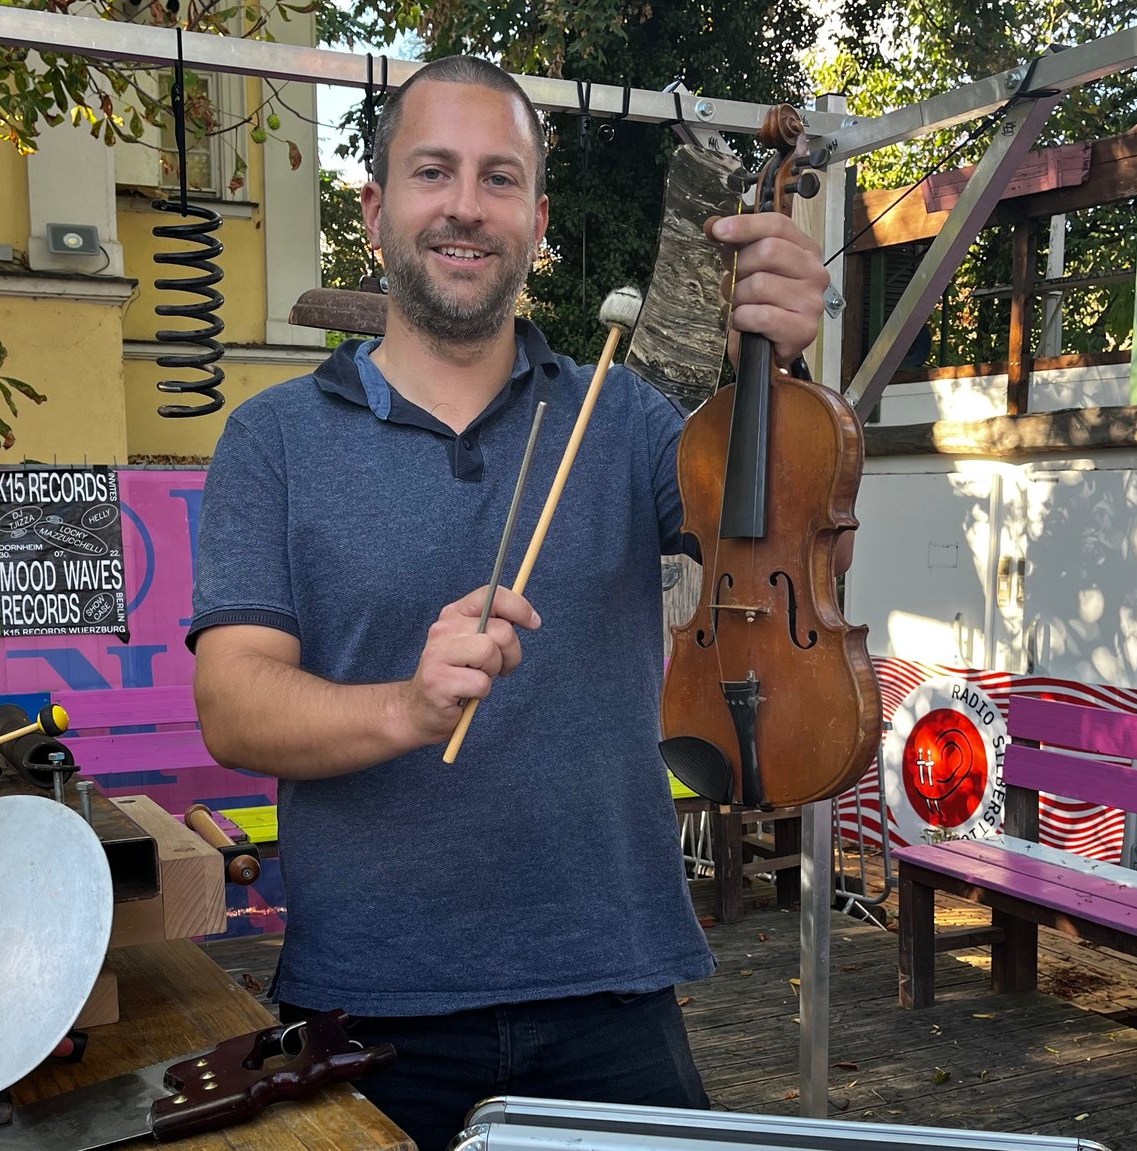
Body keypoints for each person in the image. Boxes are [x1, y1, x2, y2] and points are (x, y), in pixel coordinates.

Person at [186, 54, 832, 1151]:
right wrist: (408, 705)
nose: (464, 206)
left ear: (536, 218)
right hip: (366, 997)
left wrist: (771, 370)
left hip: (611, 984)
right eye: (433, 171)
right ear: (376, 207)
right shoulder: (273, 437)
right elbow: (232, 705)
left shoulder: (623, 417)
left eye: (498, 179)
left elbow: (775, 554)